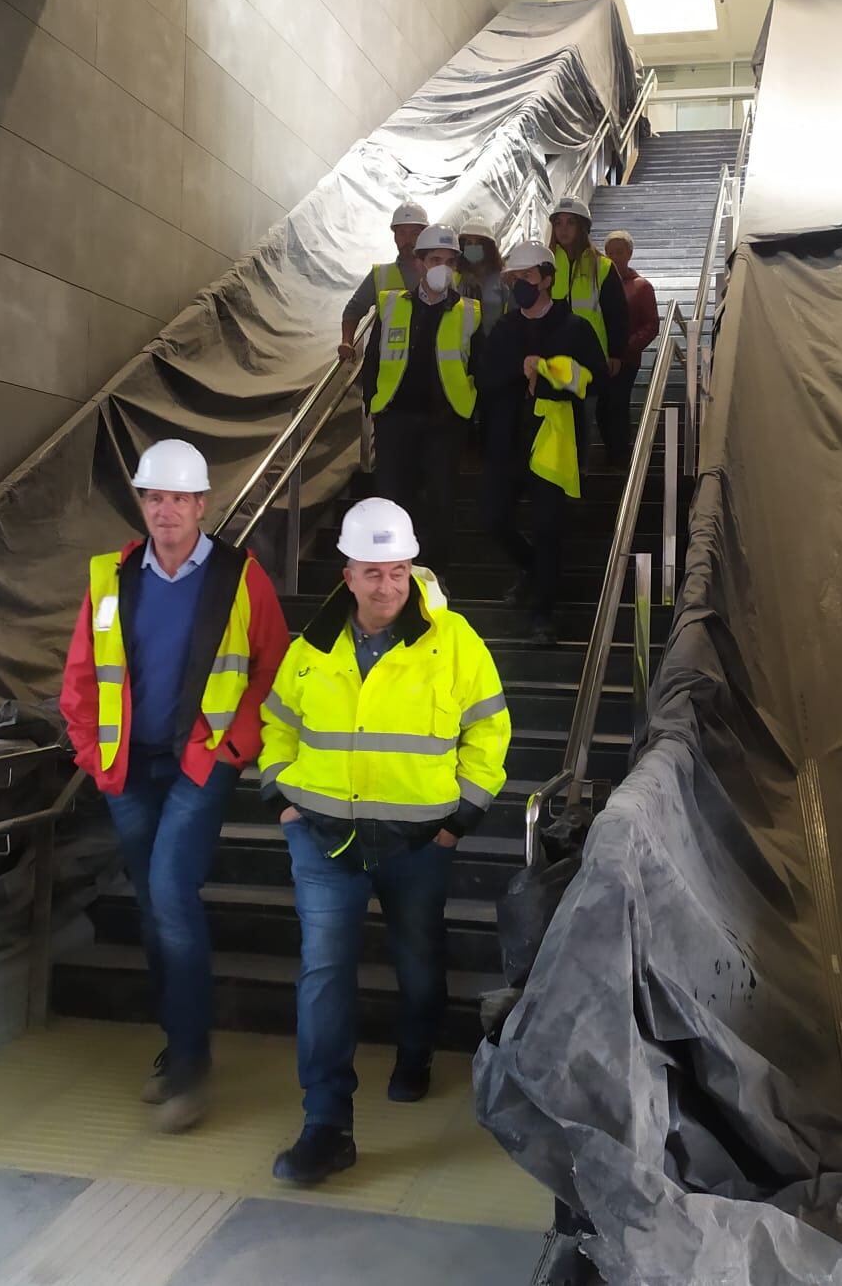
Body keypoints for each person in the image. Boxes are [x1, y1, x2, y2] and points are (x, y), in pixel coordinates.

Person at [258, 498, 510, 1186]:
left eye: (396, 571)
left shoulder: (453, 639)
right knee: (323, 974)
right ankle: (326, 1125)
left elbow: (489, 731)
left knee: (419, 959)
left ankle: (417, 1052)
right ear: (347, 576)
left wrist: (463, 818)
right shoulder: (312, 643)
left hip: (419, 841)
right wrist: (280, 794)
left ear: (410, 569)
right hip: (323, 838)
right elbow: (277, 720)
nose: (386, 586)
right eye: (372, 573)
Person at [60, 438, 288, 1132]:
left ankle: (189, 1063)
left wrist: (233, 751)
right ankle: (176, 1048)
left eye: (177, 499)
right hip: (127, 769)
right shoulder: (111, 577)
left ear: (200, 505)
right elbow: (79, 676)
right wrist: (93, 759)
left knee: (167, 892)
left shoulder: (239, 576)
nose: (164, 511)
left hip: (199, 764)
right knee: (156, 909)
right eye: (153, 498)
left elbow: (273, 670)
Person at [479, 242, 609, 645]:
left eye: (527, 278)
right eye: (514, 279)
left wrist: (552, 370)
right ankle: (534, 571)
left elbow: (597, 379)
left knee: (549, 528)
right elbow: (484, 377)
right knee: (494, 520)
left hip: (553, 443)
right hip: (507, 441)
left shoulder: (574, 328)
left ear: (547, 279)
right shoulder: (503, 328)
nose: (519, 285)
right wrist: (519, 369)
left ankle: (542, 615)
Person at [358, 224, 481, 579]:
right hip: (396, 417)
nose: (443, 266)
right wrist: (374, 404)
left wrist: (471, 418)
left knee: (442, 499)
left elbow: (478, 365)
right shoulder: (393, 304)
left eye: (449, 260)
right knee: (394, 498)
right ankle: (398, 572)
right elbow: (374, 360)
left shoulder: (469, 312)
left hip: (445, 420)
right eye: (435, 259)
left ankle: (436, 572)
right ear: (421, 263)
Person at [547, 195, 631, 465]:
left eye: (571, 222)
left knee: (583, 419)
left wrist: (615, 353)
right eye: (558, 222)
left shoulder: (602, 266)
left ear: (582, 227)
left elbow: (616, 313)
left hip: (591, 360)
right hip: (553, 359)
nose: (563, 229)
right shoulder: (546, 264)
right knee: (555, 420)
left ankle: (578, 473)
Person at [338, 200, 430, 366]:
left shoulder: (439, 273)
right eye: (401, 233)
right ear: (394, 236)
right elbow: (353, 309)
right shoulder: (380, 274)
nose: (407, 240)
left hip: (425, 361)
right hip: (384, 364)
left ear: (425, 235)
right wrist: (347, 341)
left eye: (414, 233)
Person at [601, 229, 660, 466]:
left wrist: (628, 346)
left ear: (630, 253)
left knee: (618, 402)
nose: (614, 256)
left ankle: (620, 453)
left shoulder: (641, 286)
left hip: (627, 359)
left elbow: (651, 324)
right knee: (603, 406)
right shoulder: (599, 283)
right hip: (601, 356)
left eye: (619, 251)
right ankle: (611, 449)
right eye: (610, 252)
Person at [456, 217, 508, 324]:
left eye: (479, 243)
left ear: (488, 247)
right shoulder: (455, 277)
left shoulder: (502, 279)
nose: (473, 247)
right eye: (469, 243)